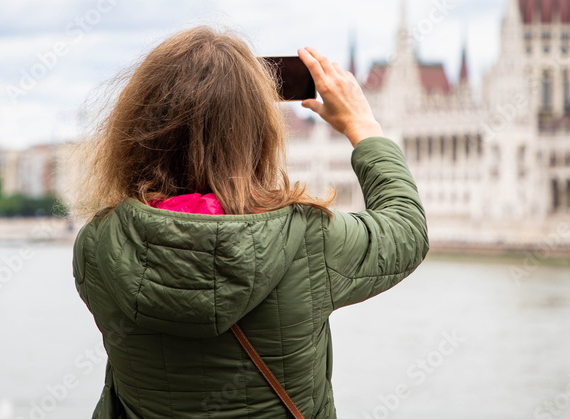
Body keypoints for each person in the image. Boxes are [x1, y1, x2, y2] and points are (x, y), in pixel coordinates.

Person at [71, 26, 428, 418]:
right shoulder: (308, 238)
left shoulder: (98, 245)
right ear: (258, 131)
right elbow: (406, 229)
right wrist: (364, 129)